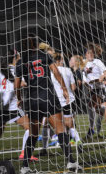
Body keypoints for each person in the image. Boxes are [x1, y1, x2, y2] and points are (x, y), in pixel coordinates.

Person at [15, 34, 81, 173]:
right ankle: (71, 162)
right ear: (36, 44)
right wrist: (64, 88)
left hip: (32, 100)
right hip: (48, 96)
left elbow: (17, 85)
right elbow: (56, 72)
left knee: (33, 134)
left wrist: (19, 98)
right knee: (60, 129)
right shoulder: (44, 55)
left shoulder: (21, 62)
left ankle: (25, 166)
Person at [0, 50, 38, 161]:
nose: (20, 58)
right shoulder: (16, 70)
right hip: (12, 108)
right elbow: (21, 84)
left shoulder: (0, 72)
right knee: (30, 128)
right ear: (15, 58)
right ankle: (25, 154)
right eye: (18, 57)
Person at [50, 53, 83, 152]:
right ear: (61, 60)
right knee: (70, 124)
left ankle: (61, 142)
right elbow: (73, 87)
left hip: (57, 101)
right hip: (69, 100)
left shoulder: (51, 72)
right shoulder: (68, 70)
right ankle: (78, 141)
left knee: (59, 124)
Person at [83, 43, 106, 139]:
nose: (91, 55)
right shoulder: (83, 62)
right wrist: (86, 84)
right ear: (85, 55)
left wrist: (102, 76)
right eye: (89, 53)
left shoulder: (98, 61)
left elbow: (105, 71)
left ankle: (91, 129)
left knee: (91, 106)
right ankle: (96, 130)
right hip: (91, 88)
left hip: (99, 88)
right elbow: (82, 75)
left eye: (92, 53)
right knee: (98, 109)